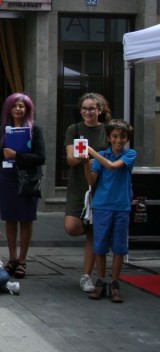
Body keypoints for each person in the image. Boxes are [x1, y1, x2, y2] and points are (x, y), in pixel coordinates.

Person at [83, 120, 136, 303]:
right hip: (102, 206)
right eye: (114, 136)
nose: (118, 140)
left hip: (121, 206)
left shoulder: (130, 154)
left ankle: (114, 283)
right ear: (109, 137)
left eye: (122, 137)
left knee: (119, 247)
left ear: (127, 138)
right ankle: (101, 281)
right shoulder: (102, 156)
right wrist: (85, 162)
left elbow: (113, 166)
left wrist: (92, 153)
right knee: (99, 246)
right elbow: (91, 180)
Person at [0, 93, 46, 279]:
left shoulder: (35, 129)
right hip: (7, 177)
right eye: (15, 105)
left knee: (25, 219)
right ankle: (12, 257)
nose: (18, 109)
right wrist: (6, 155)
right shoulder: (3, 130)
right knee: (9, 218)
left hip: (27, 179)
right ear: (9, 108)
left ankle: (23, 260)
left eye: (22, 106)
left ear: (28, 109)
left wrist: (17, 155)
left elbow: (41, 157)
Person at [65, 93, 112, 293]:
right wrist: (84, 159)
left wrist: (96, 161)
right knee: (72, 226)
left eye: (92, 108)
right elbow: (70, 159)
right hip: (78, 186)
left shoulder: (107, 131)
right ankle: (99, 235)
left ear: (100, 110)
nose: (88, 112)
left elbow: (112, 158)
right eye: (84, 108)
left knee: (93, 231)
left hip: (100, 186)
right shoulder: (74, 129)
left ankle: (87, 275)